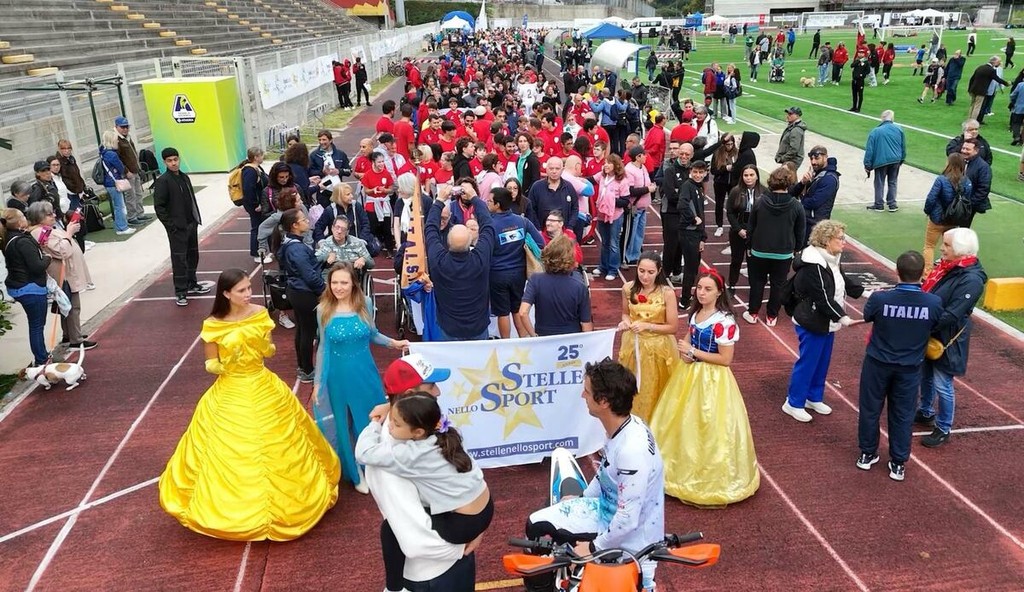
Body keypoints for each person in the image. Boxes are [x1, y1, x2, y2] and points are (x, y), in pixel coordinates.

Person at [158, 269, 340, 541]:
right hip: (232, 388)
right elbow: (210, 363)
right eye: (241, 290)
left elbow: (269, 350)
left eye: (249, 288)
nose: (248, 294)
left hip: (262, 383)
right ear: (226, 293)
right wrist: (226, 363)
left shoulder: (260, 313)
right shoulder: (213, 324)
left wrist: (263, 347)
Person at [524, 359, 665, 592]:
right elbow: (605, 472)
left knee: (535, 526)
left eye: (587, 392)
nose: (583, 395)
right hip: (611, 515)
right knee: (541, 520)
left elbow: (628, 520)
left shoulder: (631, 451)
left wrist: (592, 548)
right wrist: (582, 499)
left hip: (629, 538)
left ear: (604, 401)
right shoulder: (627, 426)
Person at [363, 354, 479, 592]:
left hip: (446, 561)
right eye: (431, 386)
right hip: (436, 573)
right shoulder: (390, 459)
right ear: (409, 395)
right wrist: (463, 544)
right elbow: (414, 537)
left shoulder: (422, 424)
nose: (438, 392)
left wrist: (475, 527)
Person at [651, 270, 759, 505]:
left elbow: (725, 359)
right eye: (699, 288)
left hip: (713, 381)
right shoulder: (696, 313)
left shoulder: (724, 322)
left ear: (719, 292)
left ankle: (709, 479)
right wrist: (686, 352)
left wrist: (693, 352)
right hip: (690, 374)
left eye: (708, 289)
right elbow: (689, 338)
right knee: (684, 422)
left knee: (709, 425)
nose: (701, 293)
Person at [315, 262, 407, 494]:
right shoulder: (323, 309)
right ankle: (355, 472)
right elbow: (323, 347)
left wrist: (394, 343)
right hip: (337, 378)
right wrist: (317, 383)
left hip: (366, 373)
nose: (339, 287)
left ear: (353, 283)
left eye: (344, 282)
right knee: (343, 424)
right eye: (334, 282)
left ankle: (375, 464)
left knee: (371, 418)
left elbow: (373, 334)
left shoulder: (364, 302)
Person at [857, 251, 943, 482]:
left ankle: (867, 454)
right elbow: (936, 324)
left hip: (877, 364)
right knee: (903, 415)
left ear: (896, 271)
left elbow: (868, 316)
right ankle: (898, 463)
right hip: (909, 368)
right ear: (922, 273)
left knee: (870, 409)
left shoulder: (880, 299)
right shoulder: (933, 303)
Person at [784, 220, 864, 423]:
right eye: (841, 238)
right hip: (812, 321)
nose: (844, 242)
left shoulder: (832, 258)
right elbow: (822, 298)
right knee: (808, 363)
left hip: (825, 321)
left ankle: (813, 397)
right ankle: (793, 403)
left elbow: (844, 281)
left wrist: (867, 293)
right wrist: (844, 318)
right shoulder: (814, 265)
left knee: (822, 362)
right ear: (827, 240)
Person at [915, 228, 987, 448]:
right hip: (933, 331)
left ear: (960, 249)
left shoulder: (971, 279)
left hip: (948, 337)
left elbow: (953, 313)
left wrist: (922, 325)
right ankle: (926, 411)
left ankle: (944, 427)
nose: (941, 248)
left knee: (942, 382)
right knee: (926, 374)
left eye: (946, 245)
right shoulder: (948, 267)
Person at [425, 188, 495, 341]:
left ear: (447, 243)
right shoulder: (480, 259)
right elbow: (488, 226)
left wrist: (439, 200)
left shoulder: (439, 262)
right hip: (477, 328)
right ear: (470, 242)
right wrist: (474, 198)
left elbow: (430, 229)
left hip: (449, 329)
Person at [616, 251, 678, 422]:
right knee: (632, 386)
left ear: (659, 271)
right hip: (632, 344)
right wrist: (626, 322)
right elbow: (625, 313)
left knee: (654, 387)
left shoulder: (667, 293)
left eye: (650, 272)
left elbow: (673, 327)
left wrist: (647, 326)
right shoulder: (627, 288)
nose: (645, 276)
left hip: (658, 348)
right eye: (641, 271)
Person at [24, 201, 94, 351]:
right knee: (72, 306)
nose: (54, 216)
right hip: (62, 274)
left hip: (65, 273)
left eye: (53, 213)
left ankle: (70, 334)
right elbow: (62, 251)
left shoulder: (44, 229)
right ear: (39, 217)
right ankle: (76, 340)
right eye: (49, 214)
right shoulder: (40, 232)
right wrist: (69, 233)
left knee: (66, 304)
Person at [744, 166, 804, 326]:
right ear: (789, 183)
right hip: (783, 254)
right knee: (778, 285)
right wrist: (797, 249)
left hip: (759, 251)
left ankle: (753, 313)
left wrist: (749, 246)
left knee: (757, 283)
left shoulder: (760, 201)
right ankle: (772, 316)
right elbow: (800, 231)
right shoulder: (796, 205)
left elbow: (751, 227)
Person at [153, 147, 209, 307]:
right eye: (170, 161)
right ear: (164, 162)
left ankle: (192, 283)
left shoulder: (184, 177)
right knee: (179, 260)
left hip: (191, 224)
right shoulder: (163, 181)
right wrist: (171, 226)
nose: (173, 163)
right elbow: (159, 207)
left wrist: (195, 219)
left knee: (193, 256)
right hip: (177, 229)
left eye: (175, 159)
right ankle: (181, 292)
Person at [488, 186, 544, 338]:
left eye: (490, 201)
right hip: (519, 274)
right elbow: (540, 243)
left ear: (498, 204)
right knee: (517, 308)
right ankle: (523, 341)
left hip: (497, 274)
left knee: (502, 313)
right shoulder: (522, 221)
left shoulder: (489, 225)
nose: (487, 203)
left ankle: (506, 343)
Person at [277, 208, 324, 383]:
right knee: (308, 332)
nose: (307, 221)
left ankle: (303, 366)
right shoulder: (296, 248)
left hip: (297, 291)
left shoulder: (290, 244)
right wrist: (324, 290)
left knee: (302, 330)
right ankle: (307, 369)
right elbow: (308, 274)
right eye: (303, 220)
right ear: (295, 225)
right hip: (304, 293)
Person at [923, 153, 973, 273]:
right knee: (950, 247)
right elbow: (967, 200)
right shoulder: (967, 182)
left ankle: (927, 273)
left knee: (929, 246)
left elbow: (931, 198)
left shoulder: (941, 179)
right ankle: (946, 272)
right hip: (954, 219)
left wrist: (927, 211)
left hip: (937, 219)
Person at [676, 160, 710, 309]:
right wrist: (693, 218)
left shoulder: (698, 187)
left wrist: (703, 237)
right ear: (690, 171)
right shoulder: (687, 186)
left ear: (705, 173)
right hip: (689, 232)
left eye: (701, 172)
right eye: (695, 172)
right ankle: (684, 300)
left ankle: (688, 295)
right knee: (690, 268)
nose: (697, 175)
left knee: (694, 266)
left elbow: (701, 212)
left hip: (696, 233)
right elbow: (682, 205)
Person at [591, 154, 630, 281]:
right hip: (602, 214)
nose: (605, 165)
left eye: (608, 163)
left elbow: (625, 201)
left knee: (613, 243)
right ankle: (603, 266)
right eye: (605, 163)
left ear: (616, 165)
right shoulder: (602, 176)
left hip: (615, 216)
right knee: (604, 242)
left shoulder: (622, 181)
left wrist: (610, 201)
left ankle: (613, 269)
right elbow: (590, 180)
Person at [726, 165, 764, 296]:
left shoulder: (764, 192)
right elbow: (730, 212)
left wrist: (757, 231)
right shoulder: (735, 191)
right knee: (736, 260)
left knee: (753, 262)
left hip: (756, 233)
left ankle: (755, 287)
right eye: (745, 175)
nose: (748, 178)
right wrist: (738, 229)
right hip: (738, 232)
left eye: (751, 175)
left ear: (757, 176)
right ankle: (732, 284)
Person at [791, 146, 839, 245]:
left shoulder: (829, 179)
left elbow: (815, 202)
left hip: (816, 225)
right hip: (808, 220)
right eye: (811, 159)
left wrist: (799, 202)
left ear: (825, 157)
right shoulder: (818, 174)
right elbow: (795, 193)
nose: (813, 162)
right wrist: (803, 183)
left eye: (817, 158)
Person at [863, 110, 906, 212]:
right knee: (893, 182)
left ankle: (879, 205)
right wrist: (901, 159)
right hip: (895, 160)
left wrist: (867, 165)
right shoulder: (899, 129)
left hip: (881, 162)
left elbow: (870, 150)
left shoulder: (875, 131)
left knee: (879, 183)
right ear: (892, 118)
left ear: (882, 118)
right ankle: (892, 204)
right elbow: (903, 146)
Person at [113, 116, 152, 225]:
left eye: (127, 127)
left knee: (138, 193)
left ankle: (140, 214)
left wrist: (138, 168)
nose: (125, 129)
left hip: (135, 170)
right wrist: (126, 171)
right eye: (123, 127)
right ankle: (132, 217)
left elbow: (134, 154)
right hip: (128, 173)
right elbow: (117, 159)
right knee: (131, 196)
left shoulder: (127, 137)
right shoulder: (116, 140)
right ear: (116, 127)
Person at [98, 130, 135, 236]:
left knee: (118, 205)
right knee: (119, 206)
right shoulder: (112, 154)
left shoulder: (104, 152)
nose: (117, 142)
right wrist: (126, 172)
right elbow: (120, 167)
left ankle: (121, 226)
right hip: (113, 182)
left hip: (109, 182)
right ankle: (122, 227)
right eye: (115, 140)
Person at [316, 216, 373, 282]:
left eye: (343, 229)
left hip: (351, 278)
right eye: (337, 227)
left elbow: (371, 264)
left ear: (347, 232)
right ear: (332, 228)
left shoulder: (357, 243)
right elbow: (314, 261)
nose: (339, 231)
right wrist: (327, 255)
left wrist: (363, 259)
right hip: (331, 279)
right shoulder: (326, 243)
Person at [241, 147, 271, 261]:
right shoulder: (250, 171)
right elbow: (248, 189)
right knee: (257, 228)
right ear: (256, 157)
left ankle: (262, 252)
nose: (263, 157)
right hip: (255, 206)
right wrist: (256, 204)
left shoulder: (256, 168)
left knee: (261, 227)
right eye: (261, 155)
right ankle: (257, 254)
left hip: (259, 203)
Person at [959, 138, 993, 227]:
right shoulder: (958, 161)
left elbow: (983, 189)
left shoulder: (983, 167)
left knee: (962, 229)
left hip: (968, 205)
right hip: (954, 202)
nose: (964, 151)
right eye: (963, 148)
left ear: (976, 151)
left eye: (968, 149)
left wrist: (969, 204)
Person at [710, 133, 738, 237]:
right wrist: (725, 168)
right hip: (720, 182)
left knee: (734, 205)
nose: (730, 146)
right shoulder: (717, 153)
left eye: (731, 144)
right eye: (727, 144)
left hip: (733, 183)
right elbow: (713, 170)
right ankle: (719, 226)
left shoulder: (737, 153)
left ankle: (734, 225)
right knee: (719, 204)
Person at [966, 57, 1008, 123]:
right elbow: (997, 79)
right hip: (981, 91)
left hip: (973, 89)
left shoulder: (980, 67)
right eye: (998, 62)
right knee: (977, 107)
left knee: (972, 105)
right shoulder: (991, 70)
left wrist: (969, 89)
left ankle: (969, 119)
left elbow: (972, 79)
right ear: (995, 62)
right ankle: (972, 122)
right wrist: (1006, 83)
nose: (999, 63)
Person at [849, 48, 871, 112]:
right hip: (854, 80)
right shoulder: (857, 60)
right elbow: (852, 66)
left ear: (864, 54)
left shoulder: (866, 62)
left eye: (861, 53)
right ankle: (854, 107)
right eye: (859, 53)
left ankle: (858, 108)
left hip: (860, 80)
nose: (860, 54)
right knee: (854, 94)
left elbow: (868, 71)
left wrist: (862, 75)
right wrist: (858, 61)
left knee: (860, 94)